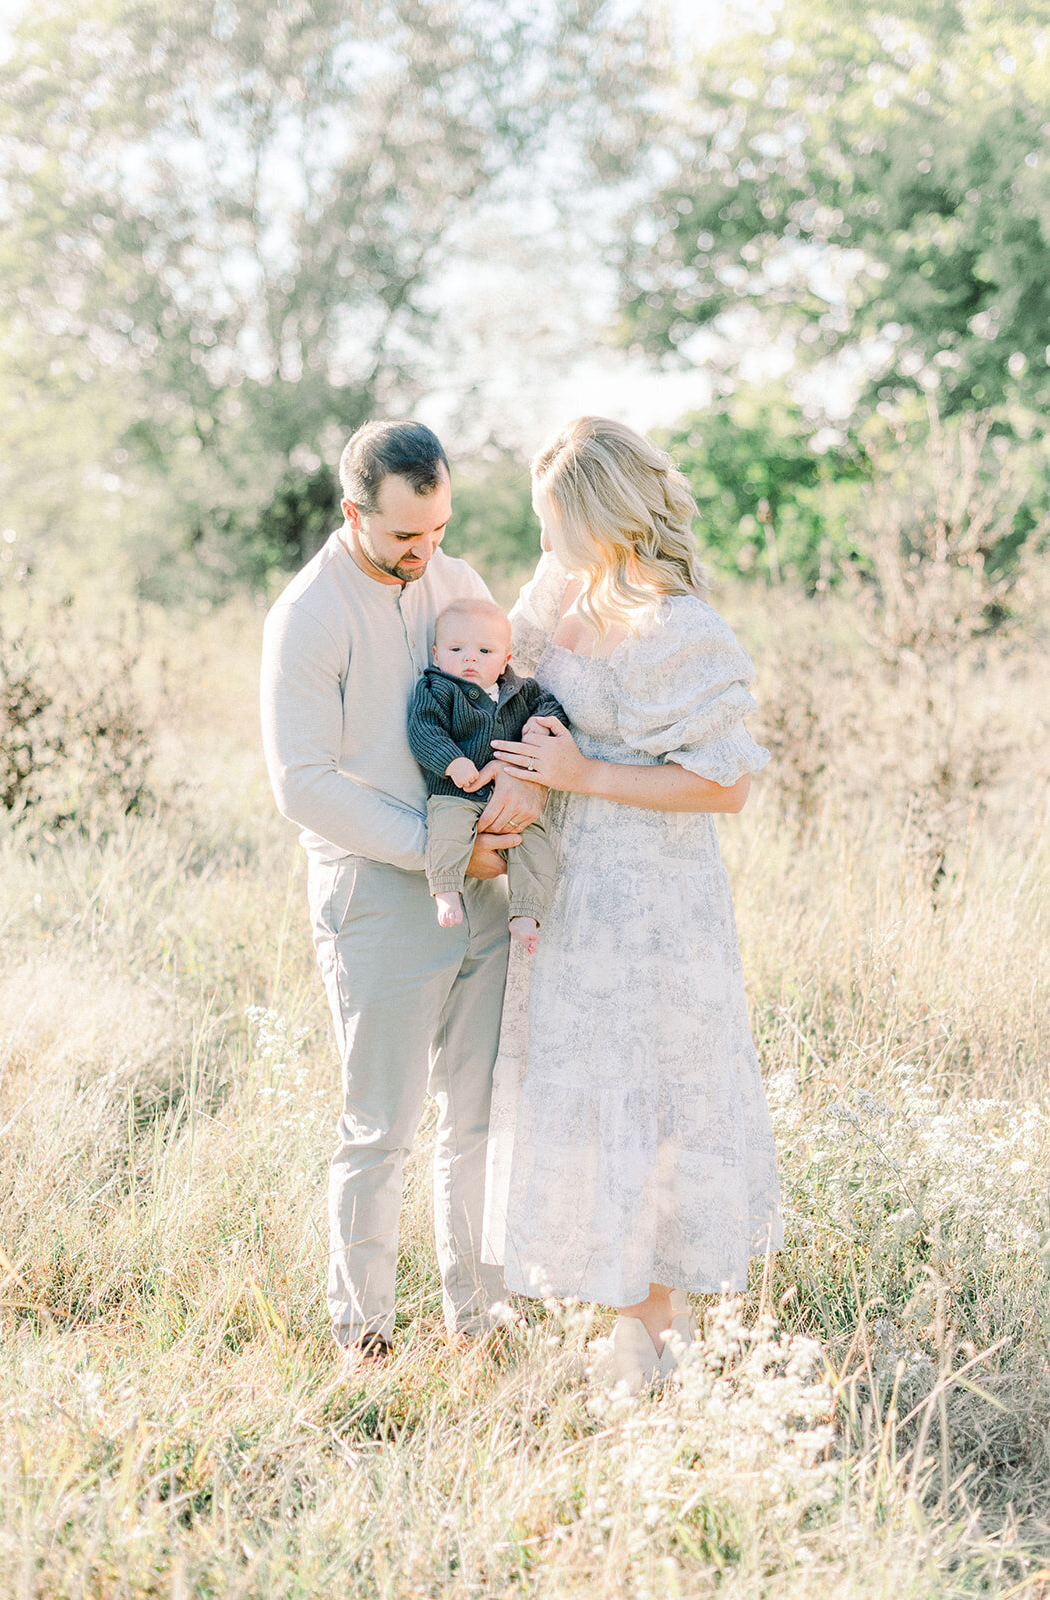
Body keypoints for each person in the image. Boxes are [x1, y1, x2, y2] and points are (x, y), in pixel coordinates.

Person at [481, 416, 784, 1389]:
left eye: (550, 520)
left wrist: (584, 772)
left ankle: (661, 1340)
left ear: (596, 516)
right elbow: (505, 664)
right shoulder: (558, 589)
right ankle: (636, 1332)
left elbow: (724, 785)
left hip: (654, 897)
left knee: (656, 1100)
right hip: (575, 901)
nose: (542, 539)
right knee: (589, 1097)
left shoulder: (680, 625)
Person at [259, 420, 546, 1359]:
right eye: (403, 539)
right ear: (354, 514)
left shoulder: (457, 586)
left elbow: (513, 699)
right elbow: (303, 783)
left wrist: (517, 792)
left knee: (479, 1117)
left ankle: (480, 1319)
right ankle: (364, 1335)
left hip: (485, 890)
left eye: (439, 530)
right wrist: (435, 851)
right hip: (375, 895)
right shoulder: (308, 614)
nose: (425, 555)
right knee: (380, 1124)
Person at [407, 597, 568, 952]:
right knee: (446, 832)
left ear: (505, 659)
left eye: (484, 650)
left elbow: (551, 706)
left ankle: (526, 911)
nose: (470, 658)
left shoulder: (520, 691)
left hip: (508, 799)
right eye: (456, 648)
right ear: (436, 655)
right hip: (456, 793)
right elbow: (424, 730)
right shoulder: (436, 689)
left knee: (536, 845)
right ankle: (446, 889)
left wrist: (541, 727)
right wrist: (452, 762)